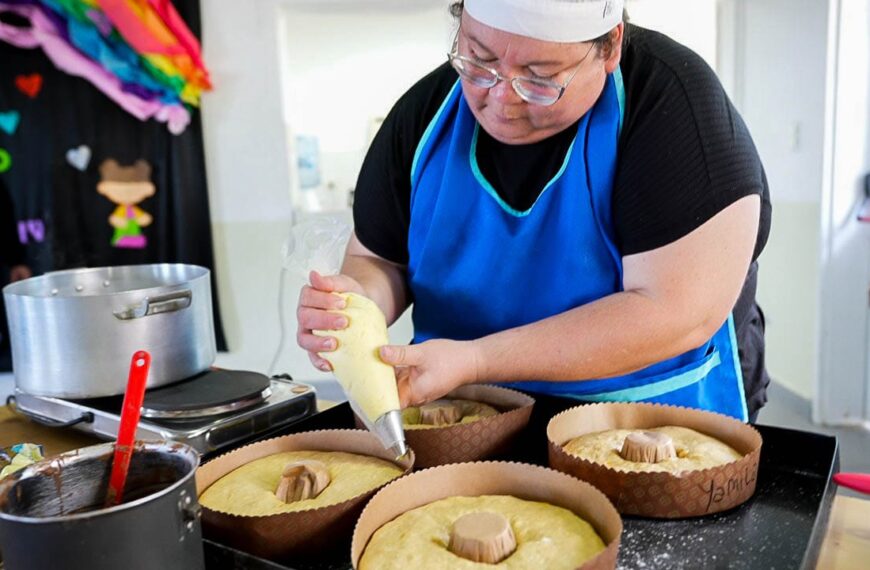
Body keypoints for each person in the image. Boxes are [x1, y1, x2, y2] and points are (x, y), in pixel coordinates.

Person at [296, 0, 772, 422]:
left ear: (610, 48)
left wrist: (478, 360)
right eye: (479, 62)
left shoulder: (672, 107)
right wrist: (356, 304)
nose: (502, 99)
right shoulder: (424, 117)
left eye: (540, 78)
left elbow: (675, 311)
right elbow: (379, 259)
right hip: (469, 421)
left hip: (647, 422)